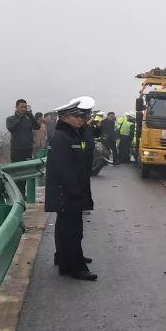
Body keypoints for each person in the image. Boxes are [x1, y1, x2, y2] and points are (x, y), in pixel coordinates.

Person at [45, 96, 97, 281]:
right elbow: (64, 168)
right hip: (67, 191)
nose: (81, 119)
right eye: (77, 116)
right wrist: (74, 192)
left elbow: (85, 152)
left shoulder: (72, 133)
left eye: (82, 116)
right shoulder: (62, 137)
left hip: (70, 190)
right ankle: (75, 267)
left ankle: (65, 259)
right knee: (72, 230)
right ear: (65, 117)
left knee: (67, 227)